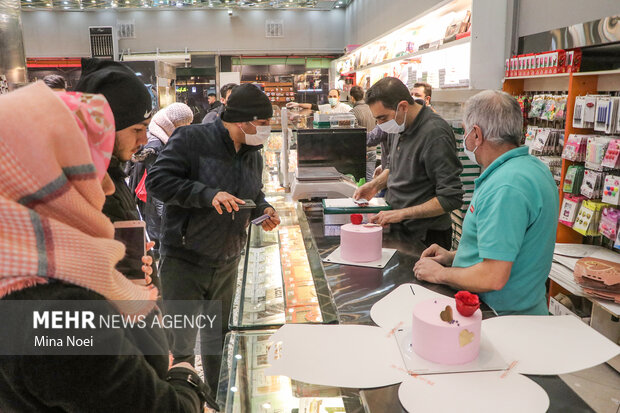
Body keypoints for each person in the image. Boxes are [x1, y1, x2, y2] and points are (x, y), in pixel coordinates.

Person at [0, 82, 209, 412]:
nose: (108, 186)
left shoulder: (30, 266)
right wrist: (185, 377)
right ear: (40, 180)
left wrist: (118, 287)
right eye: (89, 172)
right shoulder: (56, 310)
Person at [146, 83, 281, 399]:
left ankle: (219, 400)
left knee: (218, 339)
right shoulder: (191, 139)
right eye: (263, 124)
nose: (266, 131)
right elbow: (158, 181)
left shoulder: (253, 154)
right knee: (181, 344)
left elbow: (252, 193)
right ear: (243, 121)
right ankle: (184, 401)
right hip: (184, 259)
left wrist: (263, 208)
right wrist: (206, 195)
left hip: (227, 261)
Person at [414, 90, 559, 316]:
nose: (464, 139)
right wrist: (455, 257)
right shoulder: (532, 168)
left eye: (464, 131)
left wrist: (439, 274)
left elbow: (493, 276)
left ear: (477, 134)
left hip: (501, 316)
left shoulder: (506, 187)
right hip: (521, 309)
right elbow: (510, 250)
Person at [353, 77, 463, 250]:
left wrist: (402, 213)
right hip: (399, 228)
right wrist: (374, 185)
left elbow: (451, 198)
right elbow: (395, 167)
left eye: (382, 118)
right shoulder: (399, 124)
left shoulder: (435, 134)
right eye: (377, 120)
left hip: (426, 237)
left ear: (402, 107)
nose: (380, 125)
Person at [131, 103, 194, 256]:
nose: (188, 127)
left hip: (156, 204)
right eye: (186, 123)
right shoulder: (156, 144)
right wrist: (170, 221)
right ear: (176, 123)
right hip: (156, 207)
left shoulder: (161, 135)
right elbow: (159, 189)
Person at [350, 85, 377, 182]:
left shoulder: (352, 112)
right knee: (370, 179)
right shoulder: (372, 109)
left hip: (360, 151)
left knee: (356, 180)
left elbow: (354, 135)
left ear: (352, 98)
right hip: (373, 150)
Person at [287, 88, 351, 113]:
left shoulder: (344, 107)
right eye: (330, 96)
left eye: (335, 96)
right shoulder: (326, 107)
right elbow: (311, 106)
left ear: (338, 97)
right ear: (328, 97)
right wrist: (298, 104)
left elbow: (354, 114)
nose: (332, 98)